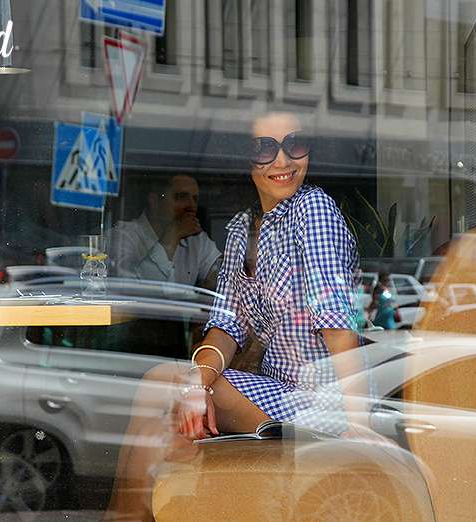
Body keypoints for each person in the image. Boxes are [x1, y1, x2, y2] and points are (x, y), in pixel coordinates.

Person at [105, 112, 369, 520]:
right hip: (277, 392)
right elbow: (225, 328)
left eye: (295, 145)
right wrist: (198, 387)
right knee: (161, 416)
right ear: (245, 159)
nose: (282, 160)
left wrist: (360, 426)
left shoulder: (313, 210)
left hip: (319, 402)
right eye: (265, 148)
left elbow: (337, 325)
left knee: (163, 394)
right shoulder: (242, 229)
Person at [107, 174, 222, 288]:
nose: (191, 206)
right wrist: (171, 237)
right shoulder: (123, 236)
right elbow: (129, 287)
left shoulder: (197, 240)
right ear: (154, 201)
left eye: (195, 199)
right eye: (181, 197)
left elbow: (218, 276)